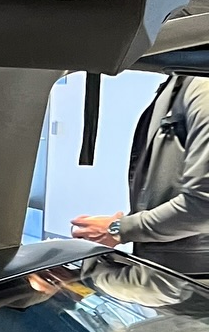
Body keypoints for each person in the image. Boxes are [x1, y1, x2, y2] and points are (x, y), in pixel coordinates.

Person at [71, 75, 209, 277]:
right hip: (169, 274)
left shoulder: (202, 87)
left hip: (190, 282)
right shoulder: (181, 79)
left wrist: (119, 229)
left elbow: (203, 207)